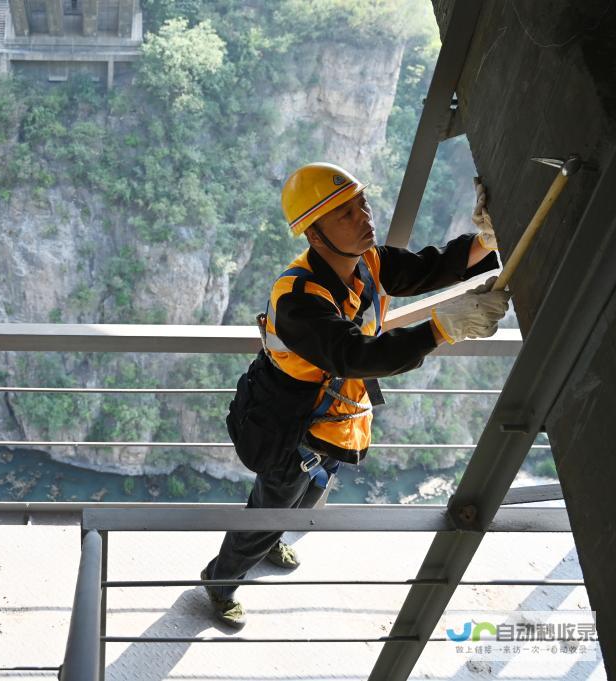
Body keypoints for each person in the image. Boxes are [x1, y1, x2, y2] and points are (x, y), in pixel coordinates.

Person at [201, 162, 509, 626]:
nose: (364, 216)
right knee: (270, 507)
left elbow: (428, 268)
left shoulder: (368, 263)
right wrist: (444, 328)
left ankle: (272, 539)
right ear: (315, 234)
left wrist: (486, 241)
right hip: (294, 430)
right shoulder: (299, 297)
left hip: (336, 422)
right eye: (344, 213)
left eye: (361, 203)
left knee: (303, 501)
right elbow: (355, 355)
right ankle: (220, 582)